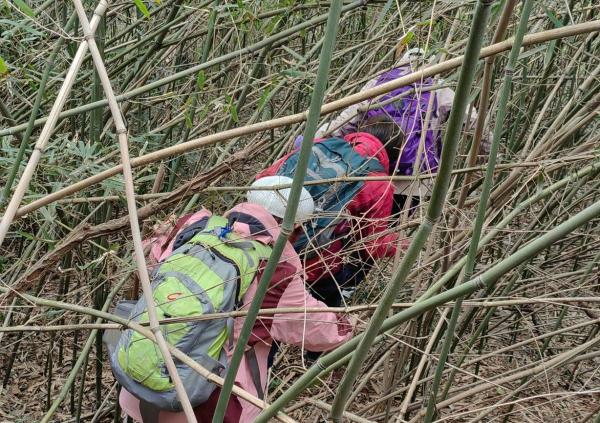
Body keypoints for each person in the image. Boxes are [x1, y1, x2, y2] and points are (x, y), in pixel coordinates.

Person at [116, 176, 354, 423]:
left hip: (139, 376)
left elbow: (149, 259)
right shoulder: (274, 269)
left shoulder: (195, 225)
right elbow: (317, 329)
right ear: (295, 227)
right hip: (201, 401)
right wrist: (349, 326)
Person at [310, 47, 491, 215]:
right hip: (413, 180)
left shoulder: (380, 82)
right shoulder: (438, 88)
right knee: (394, 229)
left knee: (366, 226)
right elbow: (474, 120)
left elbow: (347, 119)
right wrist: (488, 155)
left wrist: (315, 143)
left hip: (371, 172)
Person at [257, 116, 406, 309]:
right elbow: (373, 244)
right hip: (311, 265)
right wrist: (401, 243)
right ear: (395, 154)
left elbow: (264, 178)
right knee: (323, 306)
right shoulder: (378, 182)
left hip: (258, 236)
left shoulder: (319, 144)